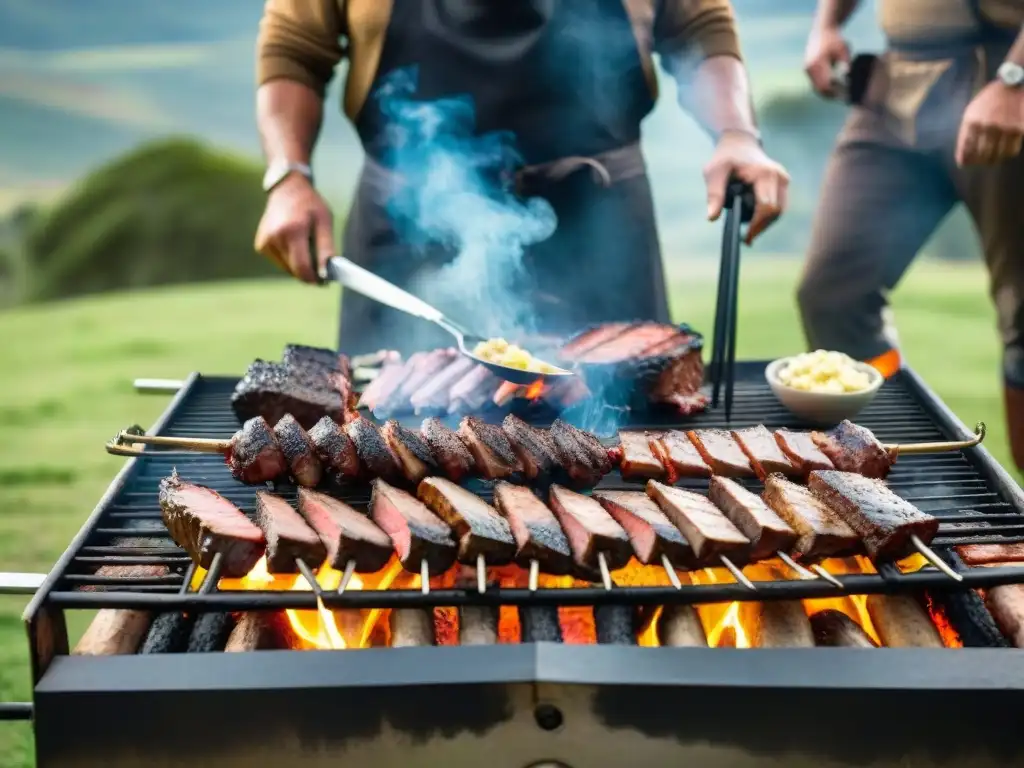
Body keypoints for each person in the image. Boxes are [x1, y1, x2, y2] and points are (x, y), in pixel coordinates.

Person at [253, 0, 789, 356]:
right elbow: (294, 47)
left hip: (598, 222)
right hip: (412, 224)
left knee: (624, 439)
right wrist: (288, 176)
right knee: (383, 446)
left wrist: (737, 133)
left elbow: (698, 25)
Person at [799, 0, 1024, 470]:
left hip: (1003, 74)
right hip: (894, 81)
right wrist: (826, 24)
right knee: (833, 292)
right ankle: (890, 466)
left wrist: (1015, 78)